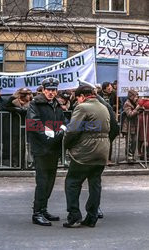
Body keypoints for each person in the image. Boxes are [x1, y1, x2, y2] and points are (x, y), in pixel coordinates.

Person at [63, 85, 110, 228]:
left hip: (85, 152)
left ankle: (74, 216)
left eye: (77, 99)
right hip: (102, 152)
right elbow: (113, 126)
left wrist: (67, 145)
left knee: (72, 183)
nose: (77, 102)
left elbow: (72, 131)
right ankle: (92, 216)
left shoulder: (82, 108)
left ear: (82, 96)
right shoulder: (104, 107)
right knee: (95, 184)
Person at [27, 77, 65, 226]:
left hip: (53, 148)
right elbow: (34, 124)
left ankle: (43, 209)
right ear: (43, 90)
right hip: (42, 148)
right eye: (48, 89)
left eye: (54, 90)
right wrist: (50, 136)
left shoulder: (56, 104)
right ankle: (37, 213)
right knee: (42, 181)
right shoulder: (35, 104)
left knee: (50, 181)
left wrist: (62, 129)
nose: (51, 92)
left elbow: (61, 121)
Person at [6, 88, 33, 168]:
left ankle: (23, 163)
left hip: (26, 125)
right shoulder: (13, 100)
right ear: (23, 95)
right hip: (15, 125)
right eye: (27, 95)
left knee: (24, 144)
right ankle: (14, 162)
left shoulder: (31, 102)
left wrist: (25, 111)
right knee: (15, 144)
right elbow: (6, 107)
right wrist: (16, 109)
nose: (29, 96)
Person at [122, 90, 142, 162]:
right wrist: (137, 109)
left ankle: (132, 155)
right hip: (128, 126)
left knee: (134, 141)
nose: (137, 98)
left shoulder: (136, 103)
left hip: (135, 125)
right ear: (131, 96)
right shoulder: (127, 103)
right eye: (135, 96)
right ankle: (128, 156)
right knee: (129, 141)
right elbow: (129, 114)